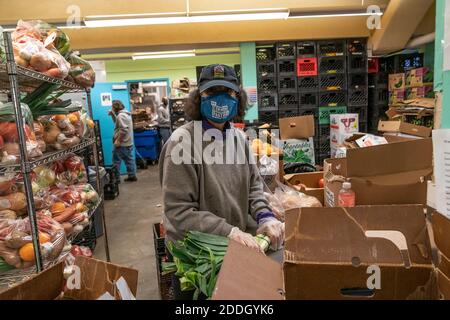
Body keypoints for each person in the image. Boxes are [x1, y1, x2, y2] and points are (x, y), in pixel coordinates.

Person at [159, 64, 284, 299]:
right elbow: (179, 212)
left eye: (227, 93)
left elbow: (254, 187)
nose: (220, 99)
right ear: (199, 98)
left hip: (232, 251)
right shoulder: (182, 143)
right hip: (197, 259)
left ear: (238, 98)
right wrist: (230, 232)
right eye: (212, 92)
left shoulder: (239, 138)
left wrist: (264, 215)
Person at [109, 100, 138, 182]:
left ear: (115, 107)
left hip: (122, 144)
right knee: (129, 160)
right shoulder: (125, 114)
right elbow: (117, 123)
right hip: (128, 143)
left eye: (112, 107)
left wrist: (118, 141)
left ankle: (116, 179)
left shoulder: (121, 116)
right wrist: (112, 115)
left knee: (116, 161)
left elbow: (123, 130)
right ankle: (132, 175)